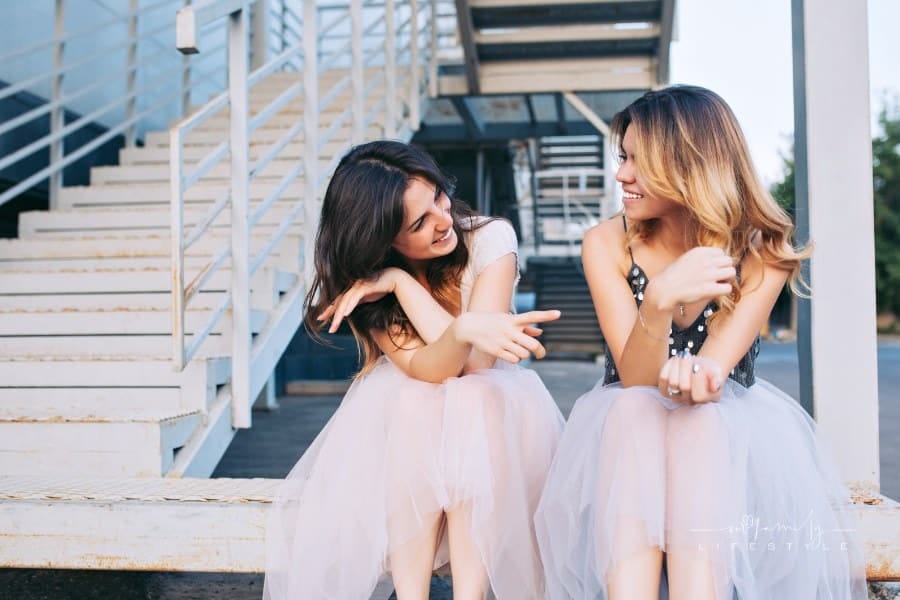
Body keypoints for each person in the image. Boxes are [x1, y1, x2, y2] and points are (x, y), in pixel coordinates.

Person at [534, 86, 867, 599]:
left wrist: (693, 373)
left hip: (720, 441)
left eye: (639, 162)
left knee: (698, 420)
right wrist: (659, 300)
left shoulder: (763, 250)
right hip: (629, 441)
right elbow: (636, 379)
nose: (621, 174)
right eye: (623, 157)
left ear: (688, 164)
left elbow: (708, 380)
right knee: (634, 412)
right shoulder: (606, 243)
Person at [264, 140, 565, 600]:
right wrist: (407, 289)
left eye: (439, 198)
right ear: (382, 241)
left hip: (495, 426)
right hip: (410, 435)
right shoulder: (368, 286)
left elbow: (477, 365)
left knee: (477, 395)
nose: (444, 222)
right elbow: (428, 368)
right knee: (411, 397)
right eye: (420, 222)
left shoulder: (490, 238)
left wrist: (411, 291)